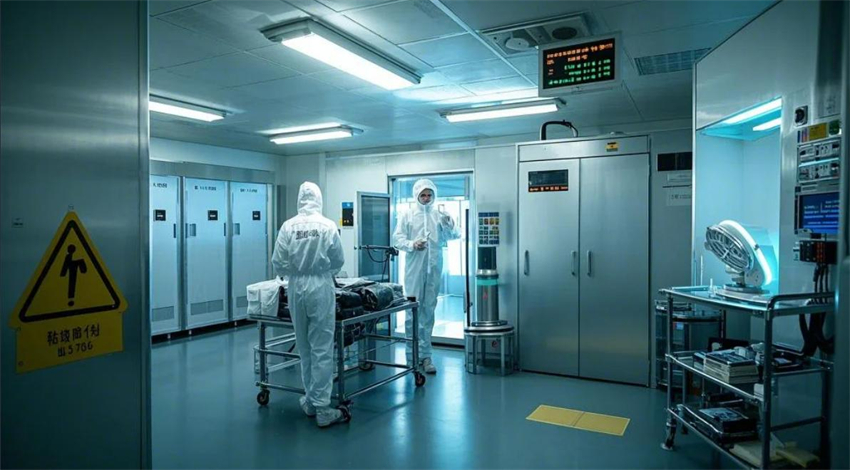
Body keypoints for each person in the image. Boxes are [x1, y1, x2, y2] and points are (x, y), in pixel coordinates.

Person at [272, 182, 346, 428]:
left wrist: (295, 272)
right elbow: (338, 260)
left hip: (296, 286)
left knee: (304, 346)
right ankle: (323, 407)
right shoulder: (327, 225)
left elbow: (278, 262)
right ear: (319, 199)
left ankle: (311, 401)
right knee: (321, 347)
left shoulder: (288, 226)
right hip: (320, 286)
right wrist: (323, 271)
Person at [392, 179, 459, 374]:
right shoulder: (407, 215)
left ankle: (426, 356)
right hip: (414, 269)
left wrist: (449, 222)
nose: (427, 198)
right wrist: (412, 244)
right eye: (423, 195)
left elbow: (454, 236)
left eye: (430, 195)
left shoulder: (439, 215)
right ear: (417, 196)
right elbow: (397, 239)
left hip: (434, 269)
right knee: (412, 311)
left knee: (429, 311)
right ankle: (411, 356)